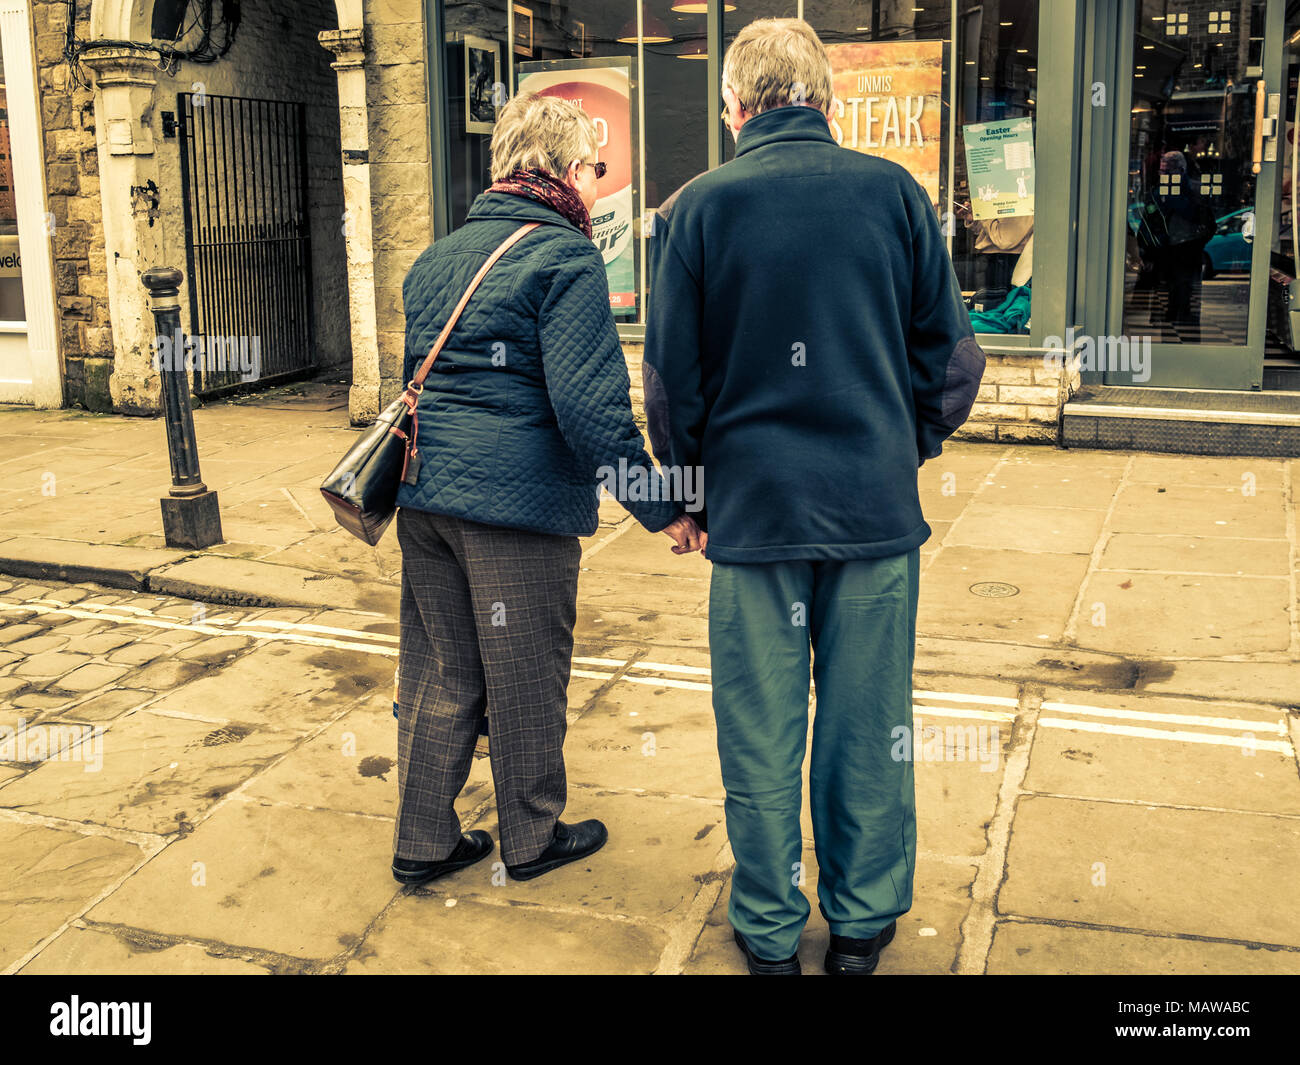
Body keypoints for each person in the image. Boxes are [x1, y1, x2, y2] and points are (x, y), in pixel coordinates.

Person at [643, 18, 984, 975]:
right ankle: (864, 927)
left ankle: (768, 932)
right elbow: (954, 361)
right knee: (869, 726)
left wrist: (693, 493)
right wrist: (903, 441)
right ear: (826, 100)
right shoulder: (897, 196)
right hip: (874, 513)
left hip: (753, 518)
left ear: (736, 106)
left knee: (760, 735)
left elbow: (672, 385)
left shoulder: (696, 209)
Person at [392, 91, 704, 888]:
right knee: (526, 670)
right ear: (569, 170)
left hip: (424, 498)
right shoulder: (564, 257)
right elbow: (592, 413)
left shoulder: (437, 257)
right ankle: (530, 837)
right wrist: (662, 508)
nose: (598, 185)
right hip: (514, 509)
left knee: (441, 670)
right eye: (597, 170)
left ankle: (424, 837)